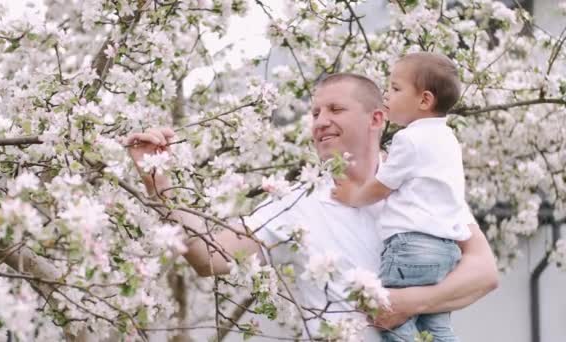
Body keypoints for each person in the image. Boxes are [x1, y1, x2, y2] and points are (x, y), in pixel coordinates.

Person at [124, 72, 498, 341]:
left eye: (335, 109)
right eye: (315, 113)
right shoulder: (296, 202)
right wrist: (159, 183)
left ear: (376, 118)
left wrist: (402, 303)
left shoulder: (421, 182)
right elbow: (210, 257)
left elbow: (483, 272)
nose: (321, 122)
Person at [332, 53, 471, 342]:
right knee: (436, 328)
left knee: (388, 316)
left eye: (395, 89)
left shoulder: (410, 139)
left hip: (411, 247)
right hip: (445, 251)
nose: (387, 94)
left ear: (424, 100)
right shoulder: (448, 139)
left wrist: (354, 195)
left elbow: (383, 185)